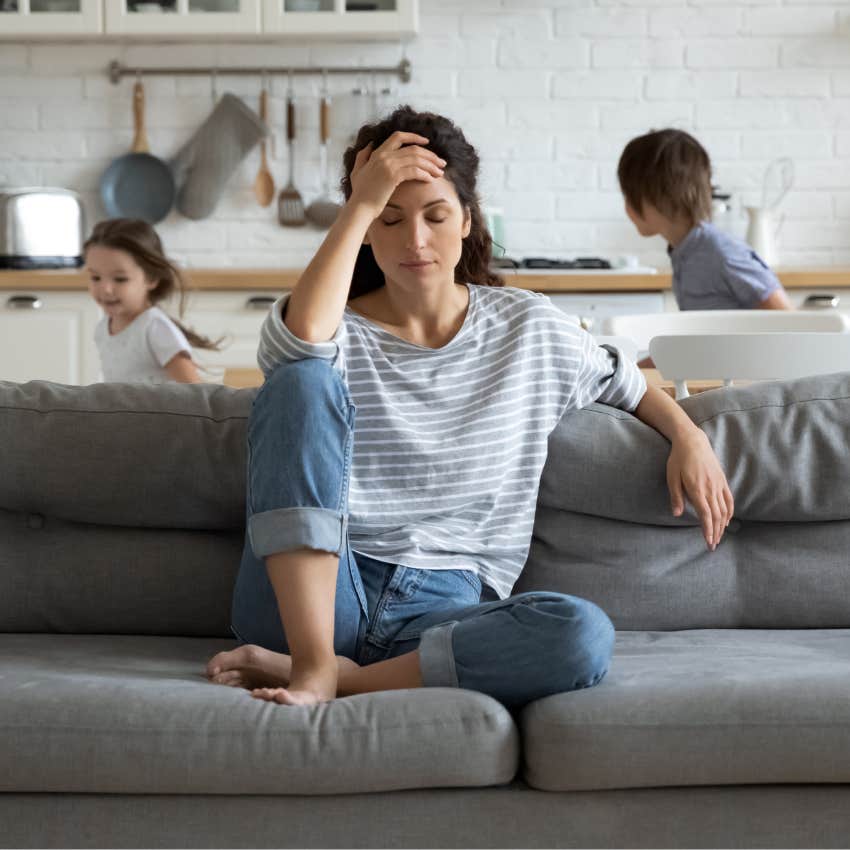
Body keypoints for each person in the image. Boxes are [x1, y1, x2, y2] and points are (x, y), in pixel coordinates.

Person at [206, 106, 734, 710]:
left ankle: (332, 676)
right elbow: (298, 345)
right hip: (316, 588)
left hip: (444, 609)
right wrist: (359, 201)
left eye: (435, 215)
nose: (415, 240)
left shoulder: (528, 328)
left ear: (467, 221)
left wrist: (690, 437)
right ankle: (313, 656)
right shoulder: (331, 328)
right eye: (390, 217)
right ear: (367, 228)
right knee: (300, 381)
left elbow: (632, 387)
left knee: (581, 634)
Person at [618, 128, 793, 312]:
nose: (627, 206)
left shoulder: (721, 253)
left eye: (630, 195)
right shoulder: (685, 251)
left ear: (660, 197)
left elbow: (788, 320)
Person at [84, 218, 221, 384]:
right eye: (95, 277)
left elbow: (196, 391)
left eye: (120, 279)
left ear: (152, 278)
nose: (105, 288)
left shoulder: (155, 328)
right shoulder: (102, 328)